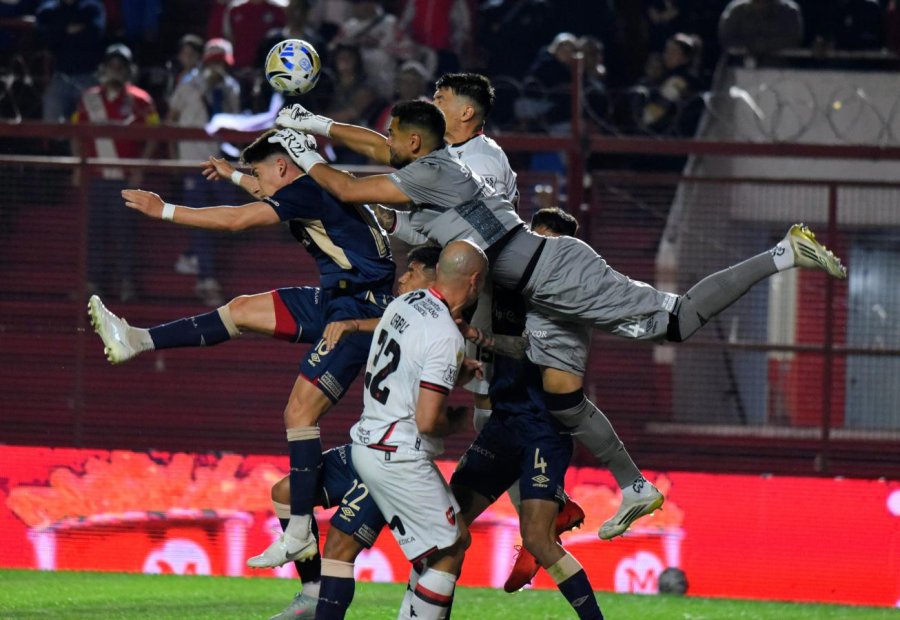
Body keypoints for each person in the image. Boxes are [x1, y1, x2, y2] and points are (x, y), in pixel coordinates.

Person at [272, 98, 848, 541]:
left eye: (398, 137)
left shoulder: (432, 171)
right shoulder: (433, 171)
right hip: (533, 290)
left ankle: (783, 253)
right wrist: (316, 125)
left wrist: (300, 151)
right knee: (562, 398)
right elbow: (375, 152)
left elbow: (347, 182)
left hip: (552, 274)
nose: (388, 144)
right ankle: (632, 486)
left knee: (677, 320)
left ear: (417, 139)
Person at [85, 128, 395, 574]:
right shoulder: (313, 186)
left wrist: (164, 210)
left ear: (284, 167)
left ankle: (298, 529)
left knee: (299, 415)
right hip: (341, 298)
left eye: (261, 171)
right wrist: (234, 174)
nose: (259, 180)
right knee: (244, 310)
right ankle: (138, 339)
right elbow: (266, 191)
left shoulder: (305, 191)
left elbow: (236, 220)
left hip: (359, 310)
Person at [264, 243, 442, 620]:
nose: (403, 277)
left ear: (436, 277)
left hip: (394, 459)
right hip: (364, 446)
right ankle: (312, 593)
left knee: (340, 550)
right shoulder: (401, 312)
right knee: (284, 492)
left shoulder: (439, 326)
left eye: (413, 271)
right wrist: (349, 323)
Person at [449, 212, 605, 618]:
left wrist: (477, 336)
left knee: (538, 539)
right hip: (502, 422)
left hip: (543, 427)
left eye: (549, 244)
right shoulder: (507, 282)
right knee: (447, 526)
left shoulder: (563, 299)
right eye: (534, 239)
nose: (537, 250)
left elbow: (526, 348)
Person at [348, 239, 488, 619]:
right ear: (475, 282)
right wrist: (463, 420)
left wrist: (454, 375)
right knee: (453, 546)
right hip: (398, 454)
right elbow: (428, 421)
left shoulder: (405, 303)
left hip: (371, 442)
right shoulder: (446, 334)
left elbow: (408, 367)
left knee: (439, 548)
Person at [71, 43, 159, 302]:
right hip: (96, 176)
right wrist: (78, 165)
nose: (116, 70)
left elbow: (156, 134)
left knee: (125, 233)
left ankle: (126, 283)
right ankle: (92, 283)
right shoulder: (88, 98)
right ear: (104, 68)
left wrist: (140, 167)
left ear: (129, 70)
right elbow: (76, 132)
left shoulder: (141, 100)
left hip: (125, 179)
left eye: (121, 66)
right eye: (112, 65)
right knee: (93, 232)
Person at [166, 37, 242, 306]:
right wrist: (174, 157)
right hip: (192, 161)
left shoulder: (231, 87)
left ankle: (191, 254)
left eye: (223, 62)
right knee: (201, 218)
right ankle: (206, 280)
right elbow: (171, 119)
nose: (219, 67)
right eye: (215, 62)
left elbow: (235, 123)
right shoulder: (188, 83)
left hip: (219, 162)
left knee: (228, 211)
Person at [36, 0, 106, 126]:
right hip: (60, 75)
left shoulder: (91, 7)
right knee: (51, 119)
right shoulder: (49, 9)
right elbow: (44, 36)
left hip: (88, 76)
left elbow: (94, 34)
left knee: (97, 122)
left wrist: (60, 31)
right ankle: (57, 146)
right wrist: (66, 30)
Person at [718, 0, 804, 59]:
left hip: (781, 68)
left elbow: (793, 39)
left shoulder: (789, 12)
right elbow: (727, 40)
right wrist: (752, 46)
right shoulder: (736, 11)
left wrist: (765, 46)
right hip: (740, 65)